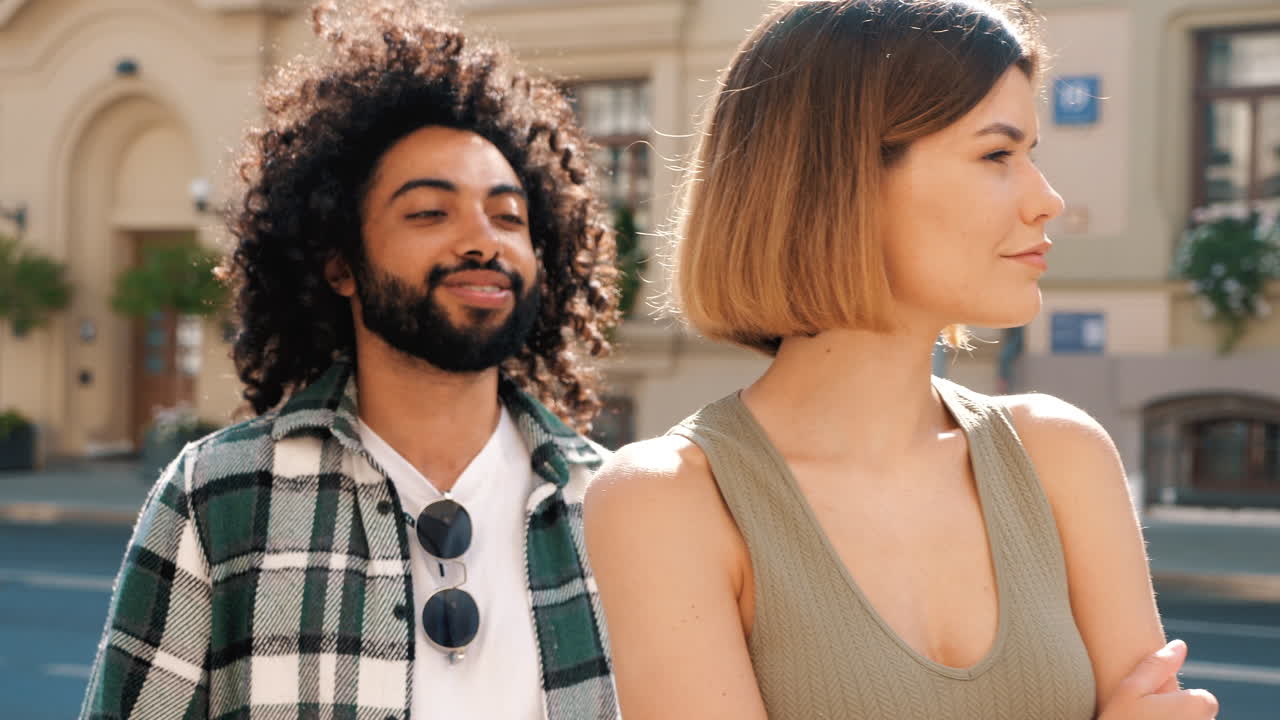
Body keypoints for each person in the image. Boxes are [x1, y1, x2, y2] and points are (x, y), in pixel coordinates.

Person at [584, 1, 1220, 719]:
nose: (1047, 200)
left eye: (1031, 154)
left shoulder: (1061, 455)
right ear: (842, 178)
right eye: (996, 155)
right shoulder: (668, 500)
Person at [81, 2, 620, 718]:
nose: (482, 240)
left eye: (509, 215)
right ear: (340, 263)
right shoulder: (220, 497)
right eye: (430, 212)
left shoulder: (617, 505)